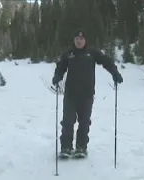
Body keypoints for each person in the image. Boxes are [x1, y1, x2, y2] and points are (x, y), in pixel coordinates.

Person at [52, 29, 123, 158]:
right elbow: (61, 67)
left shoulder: (92, 53)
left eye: (81, 39)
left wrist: (115, 73)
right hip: (70, 94)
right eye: (77, 39)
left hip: (87, 94)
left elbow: (106, 61)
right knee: (68, 121)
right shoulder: (69, 54)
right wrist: (57, 77)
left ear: (85, 40)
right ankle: (66, 147)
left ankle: (81, 147)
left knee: (84, 122)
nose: (79, 41)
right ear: (74, 40)